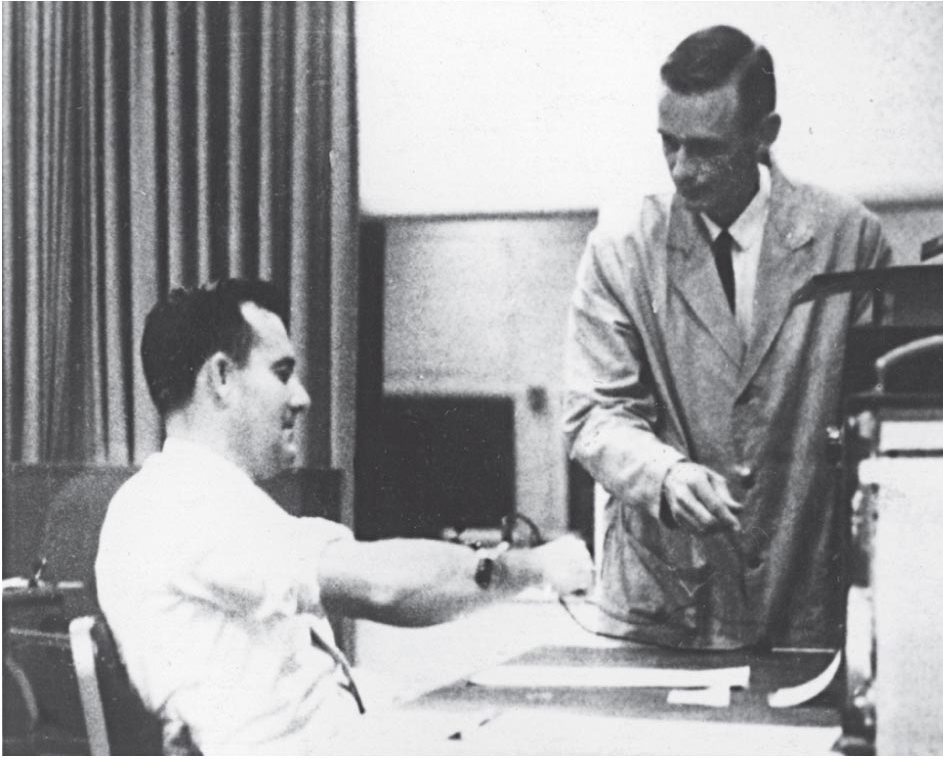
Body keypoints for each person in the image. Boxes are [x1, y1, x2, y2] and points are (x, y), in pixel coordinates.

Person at [95, 279, 593, 754]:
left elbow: (304, 691)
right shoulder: (180, 503)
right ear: (222, 377)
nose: (302, 398)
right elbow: (385, 584)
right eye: (282, 373)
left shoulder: (213, 504)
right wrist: (539, 568)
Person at [562, 25, 892, 651]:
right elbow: (593, 417)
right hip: (661, 605)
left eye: (706, 147)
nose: (682, 170)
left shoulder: (851, 240)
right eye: (669, 143)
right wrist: (661, 474)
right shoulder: (621, 249)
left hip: (802, 598)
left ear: (765, 135)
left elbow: (873, 426)